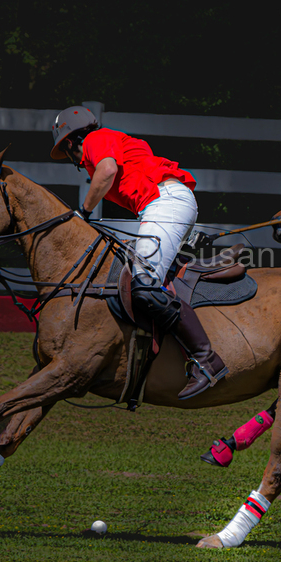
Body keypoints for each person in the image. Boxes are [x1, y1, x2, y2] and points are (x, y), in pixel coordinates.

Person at [50, 105, 228, 399]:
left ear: (69, 142)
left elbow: (108, 171)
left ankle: (206, 360)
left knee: (144, 285)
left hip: (163, 202)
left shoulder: (96, 140)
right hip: (161, 204)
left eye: (65, 150)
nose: (71, 159)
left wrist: (83, 213)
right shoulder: (111, 142)